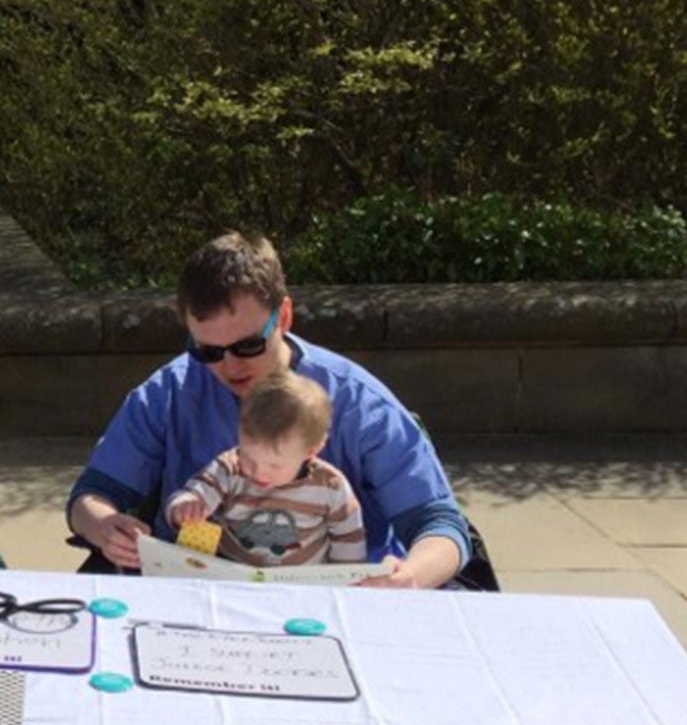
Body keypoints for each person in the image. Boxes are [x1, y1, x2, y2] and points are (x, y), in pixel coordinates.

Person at [68, 231, 472, 588]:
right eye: (207, 351)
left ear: (284, 316)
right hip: (196, 592)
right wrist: (105, 527)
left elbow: (441, 526)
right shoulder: (169, 391)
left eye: (247, 345)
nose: (229, 365)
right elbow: (91, 496)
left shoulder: (359, 402)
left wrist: (410, 577)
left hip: (340, 602)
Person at [164, 370, 366, 567]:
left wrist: (342, 583)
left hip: (301, 585)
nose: (258, 473)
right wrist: (184, 507)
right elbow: (196, 494)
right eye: (248, 458)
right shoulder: (230, 468)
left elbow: (348, 539)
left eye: (274, 466)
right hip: (232, 576)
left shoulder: (330, 486)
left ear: (311, 452)